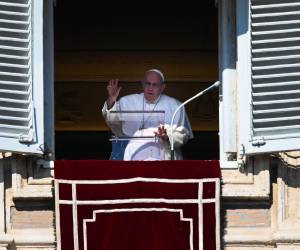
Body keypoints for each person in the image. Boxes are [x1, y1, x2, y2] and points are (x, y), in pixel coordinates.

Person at [102, 69, 193, 160]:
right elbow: (113, 124)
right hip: (133, 158)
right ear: (142, 84)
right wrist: (111, 100)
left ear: (162, 87)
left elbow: (183, 135)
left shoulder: (175, 106)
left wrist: (167, 135)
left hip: (164, 159)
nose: (150, 88)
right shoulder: (127, 101)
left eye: (155, 85)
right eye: (148, 83)